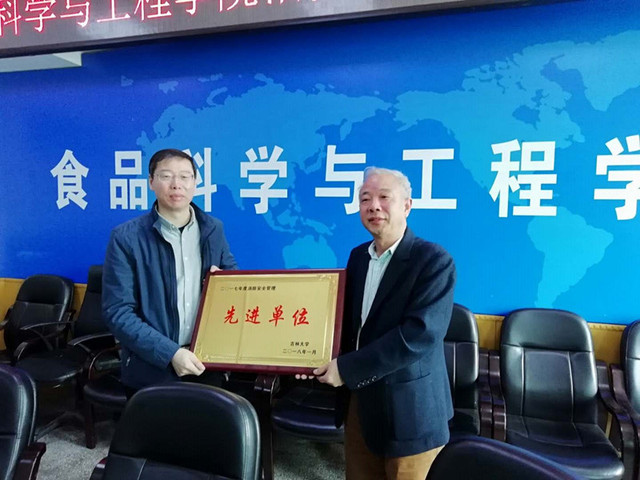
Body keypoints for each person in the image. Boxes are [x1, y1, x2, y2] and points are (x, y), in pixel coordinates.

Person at [313, 166, 456, 480]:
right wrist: (311, 354)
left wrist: (346, 369)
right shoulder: (358, 257)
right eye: (365, 199)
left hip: (410, 410)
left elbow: (418, 336)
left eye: (383, 197)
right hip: (361, 404)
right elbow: (348, 325)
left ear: (407, 205)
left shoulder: (433, 261)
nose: (373, 206)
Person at [102, 148, 237, 396]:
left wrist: (224, 285)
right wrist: (170, 353)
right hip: (151, 368)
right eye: (166, 176)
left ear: (195, 183)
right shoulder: (126, 238)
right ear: (151, 181)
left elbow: (233, 282)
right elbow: (118, 311)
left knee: (208, 421)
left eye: (185, 176)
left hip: (206, 363)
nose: (177, 184)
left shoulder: (213, 229)